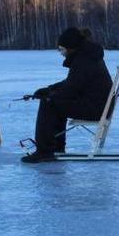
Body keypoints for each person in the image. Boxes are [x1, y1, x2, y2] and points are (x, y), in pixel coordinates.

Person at [21, 27, 112, 163]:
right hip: (99, 105)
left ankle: (44, 151)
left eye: (62, 49)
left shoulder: (83, 61)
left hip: (96, 108)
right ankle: (56, 148)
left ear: (71, 48)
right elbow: (71, 83)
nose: (62, 53)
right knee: (54, 101)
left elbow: (70, 90)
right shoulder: (88, 56)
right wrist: (49, 89)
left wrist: (49, 95)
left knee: (49, 103)